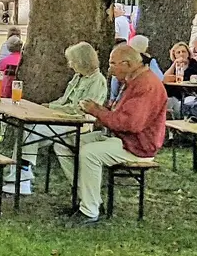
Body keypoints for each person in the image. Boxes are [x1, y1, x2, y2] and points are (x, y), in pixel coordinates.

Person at [71, 44, 168, 224]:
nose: (110, 69)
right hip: (122, 138)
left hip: (137, 145)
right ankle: (87, 197)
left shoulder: (146, 85)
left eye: (113, 64)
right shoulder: (132, 80)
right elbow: (119, 112)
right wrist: (101, 109)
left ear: (128, 64)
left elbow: (131, 124)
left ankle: (90, 211)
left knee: (89, 153)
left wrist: (98, 112)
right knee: (68, 142)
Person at [17, 42, 107, 195]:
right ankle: (20, 174)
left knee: (30, 131)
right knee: (26, 130)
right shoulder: (78, 77)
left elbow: (80, 108)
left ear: (82, 61)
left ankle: (23, 175)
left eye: (72, 61)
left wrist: (51, 108)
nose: (70, 65)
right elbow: (63, 100)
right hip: (62, 119)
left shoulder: (98, 81)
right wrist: (48, 106)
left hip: (78, 124)